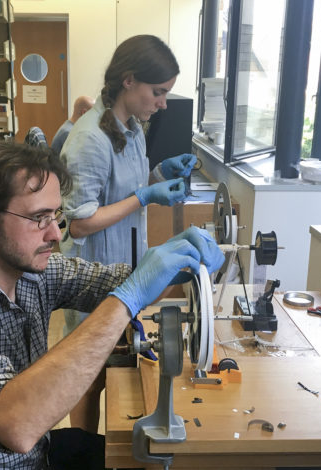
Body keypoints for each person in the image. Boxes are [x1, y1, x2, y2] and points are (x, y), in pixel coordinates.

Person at [0, 141, 224, 469]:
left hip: (37, 458)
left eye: (55, 216)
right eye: (39, 218)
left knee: (155, 459)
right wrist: (127, 299)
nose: (56, 235)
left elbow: (126, 282)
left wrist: (180, 263)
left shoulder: (34, 273)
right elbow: (16, 425)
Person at [59, 34, 198, 432]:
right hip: (92, 273)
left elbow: (125, 190)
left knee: (117, 365)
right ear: (129, 80)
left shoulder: (132, 126)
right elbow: (80, 221)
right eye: (158, 92)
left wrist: (160, 174)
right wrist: (144, 195)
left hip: (122, 266)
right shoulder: (89, 138)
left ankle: (110, 448)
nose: (163, 103)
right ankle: (81, 451)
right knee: (89, 377)